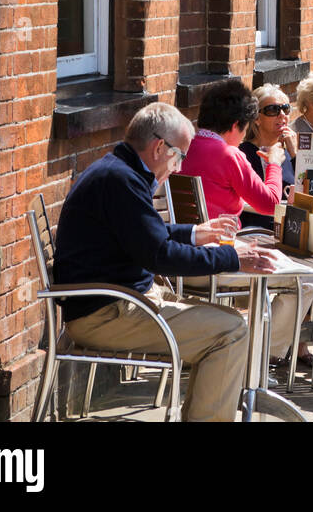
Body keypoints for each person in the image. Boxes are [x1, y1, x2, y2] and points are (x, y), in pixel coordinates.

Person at [53, 101, 277, 422]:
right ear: (160, 147)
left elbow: (143, 233)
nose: (181, 166)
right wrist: (232, 257)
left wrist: (193, 233)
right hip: (107, 314)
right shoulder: (121, 181)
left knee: (231, 321)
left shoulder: (119, 170)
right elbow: (160, 255)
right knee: (232, 331)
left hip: (123, 301)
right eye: (181, 155)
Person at [181, 78, 313, 362]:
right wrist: (274, 164)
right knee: (308, 280)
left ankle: (252, 349)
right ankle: (262, 353)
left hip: (182, 260)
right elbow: (268, 204)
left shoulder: (185, 148)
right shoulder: (230, 154)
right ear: (235, 125)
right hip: (219, 260)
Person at [239, 83, 297, 228]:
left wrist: (296, 154)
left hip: (292, 227)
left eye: (285, 109)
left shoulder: (289, 152)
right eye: (273, 110)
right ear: (257, 118)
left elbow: (312, 192)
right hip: (258, 231)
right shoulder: (244, 154)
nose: (282, 115)